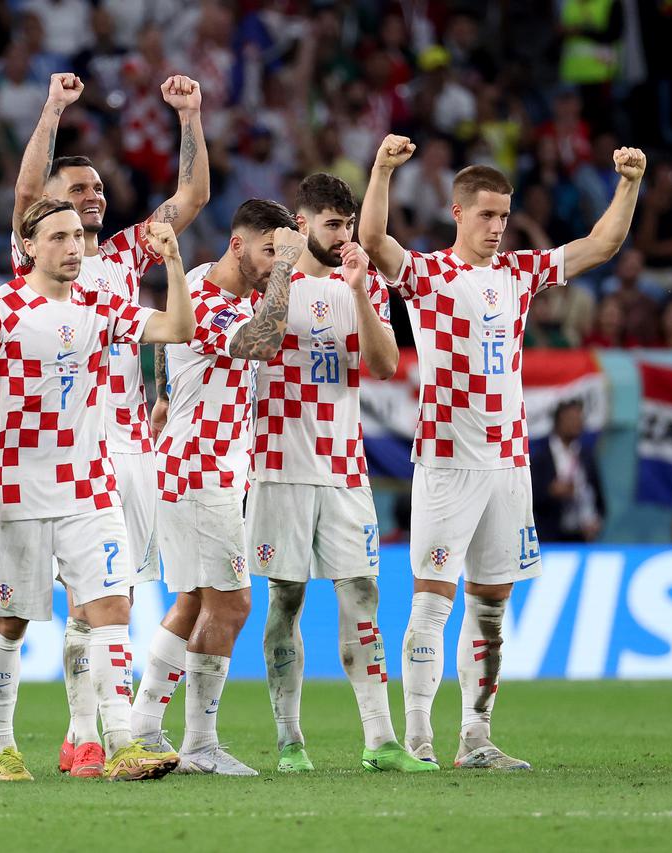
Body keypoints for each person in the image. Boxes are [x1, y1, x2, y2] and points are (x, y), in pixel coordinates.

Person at [360, 133, 646, 770]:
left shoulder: (519, 272)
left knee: (490, 608)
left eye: (504, 215)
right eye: (486, 214)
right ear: (458, 212)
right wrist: (381, 170)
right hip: (446, 460)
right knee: (432, 602)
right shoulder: (429, 274)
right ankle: (418, 739)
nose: (497, 227)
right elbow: (375, 240)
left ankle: (476, 738)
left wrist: (628, 184)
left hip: (510, 463)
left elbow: (600, 245)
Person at [0, 199, 193, 782]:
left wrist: (174, 262)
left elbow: (178, 329)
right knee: (10, 622)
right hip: (20, 490)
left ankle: (120, 743)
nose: (73, 246)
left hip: (90, 487)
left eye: (78, 236)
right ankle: (2, 748)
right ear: (29, 246)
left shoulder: (100, 305)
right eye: (58, 237)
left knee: (111, 608)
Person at [11, 71, 210, 775]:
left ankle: (90, 737)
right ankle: (89, 735)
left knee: (111, 600)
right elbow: (25, 195)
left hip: (132, 449)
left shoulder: (127, 254)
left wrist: (190, 115)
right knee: (92, 599)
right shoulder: (33, 259)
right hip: (67, 453)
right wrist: (52, 110)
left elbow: (193, 198)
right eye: (78, 189)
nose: (93, 196)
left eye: (97, 188)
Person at [243, 174, 433, 774]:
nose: (344, 236)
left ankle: (380, 740)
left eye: (348, 225)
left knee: (361, 594)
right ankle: (289, 740)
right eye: (332, 225)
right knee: (286, 597)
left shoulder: (361, 281)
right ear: (301, 225)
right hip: (279, 466)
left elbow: (384, 365)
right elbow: (253, 348)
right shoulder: (272, 282)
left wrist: (359, 293)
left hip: (345, 469)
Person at [131, 198, 300, 776]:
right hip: (201, 472)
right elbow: (261, 344)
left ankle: (143, 728)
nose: (276, 261)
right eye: (269, 251)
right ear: (237, 244)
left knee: (192, 602)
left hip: (198, 469)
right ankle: (200, 745)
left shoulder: (210, 278)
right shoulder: (209, 300)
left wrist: (163, 393)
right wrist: (286, 269)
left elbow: (166, 342)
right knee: (232, 603)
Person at [530, 400, 604, 542]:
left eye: (579, 419)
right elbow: (530, 497)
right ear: (558, 421)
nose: (576, 423)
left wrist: (595, 520)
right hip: (549, 539)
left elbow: (599, 497)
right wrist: (550, 492)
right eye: (571, 418)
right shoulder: (541, 456)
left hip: (580, 538)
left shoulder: (586, 455)